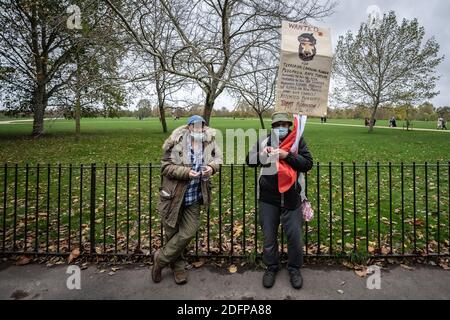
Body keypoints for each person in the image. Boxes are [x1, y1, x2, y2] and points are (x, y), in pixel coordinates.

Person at [246, 112, 313, 290]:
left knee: (295, 237)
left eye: (284, 124)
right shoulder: (264, 140)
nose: (281, 128)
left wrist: (286, 156)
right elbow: (249, 161)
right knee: (269, 237)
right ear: (273, 126)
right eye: (277, 125)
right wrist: (262, 154)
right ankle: (271, 267)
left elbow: (307, 163)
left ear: (289, 126)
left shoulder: (297, 141)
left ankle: (294, 268)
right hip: (269, 198)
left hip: (292, 197)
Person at [152, 115, 223, 285]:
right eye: (195, 126)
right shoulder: (176, 143)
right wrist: (186, 172)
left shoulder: (209, 144)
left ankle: (160, 259)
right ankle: (178, 267)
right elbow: (165, 167)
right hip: (173, 198)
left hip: (194, 197)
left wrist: (211, 168)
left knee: (188, 232)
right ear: (189, 127)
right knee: (172, 234)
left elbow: (219, 159)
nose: (199, 129)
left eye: (202, 126)